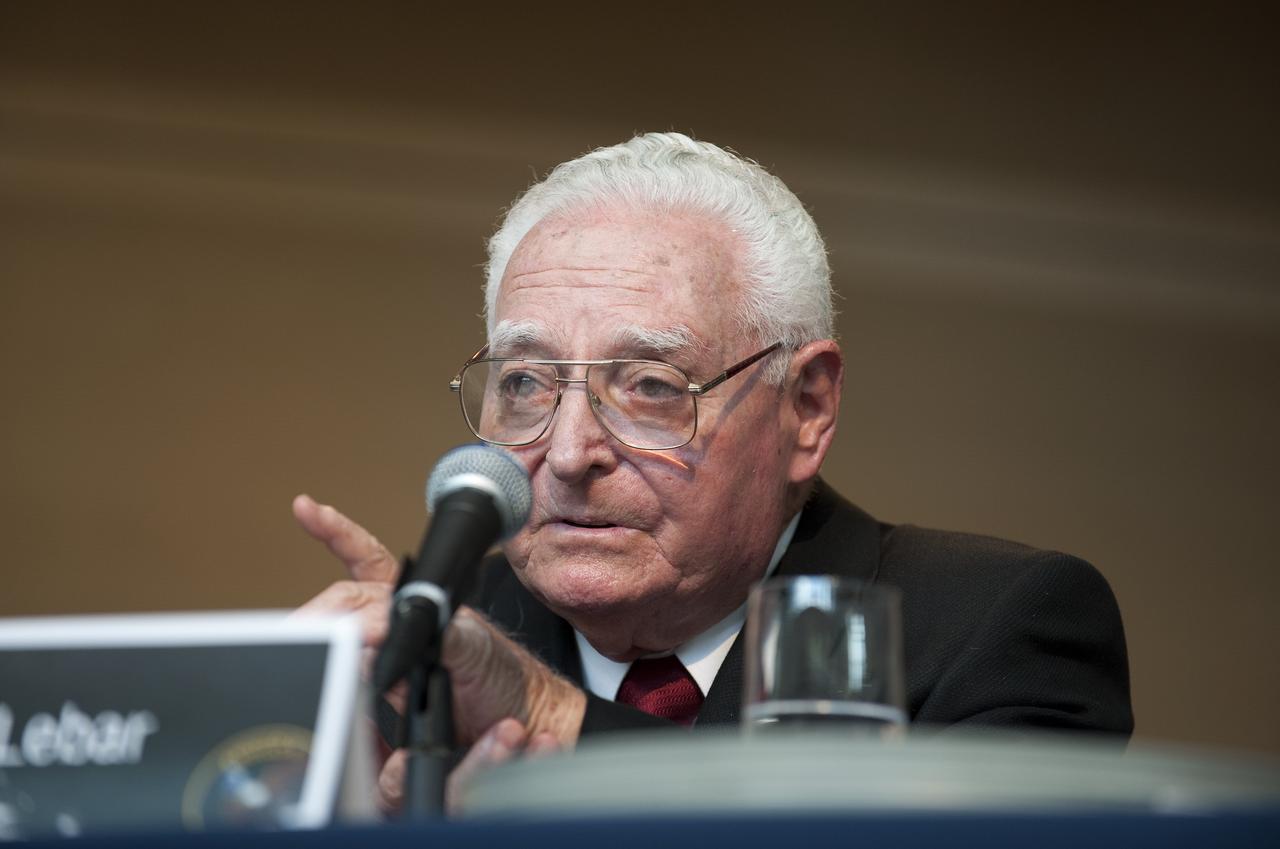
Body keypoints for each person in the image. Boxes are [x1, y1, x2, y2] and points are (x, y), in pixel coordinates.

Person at [294, 132, 1133, 811]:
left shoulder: (998, 630)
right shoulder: (436, 644)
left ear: (806, 407)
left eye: (651, 387)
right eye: (525, 382)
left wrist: (552, 716)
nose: (569, 450)